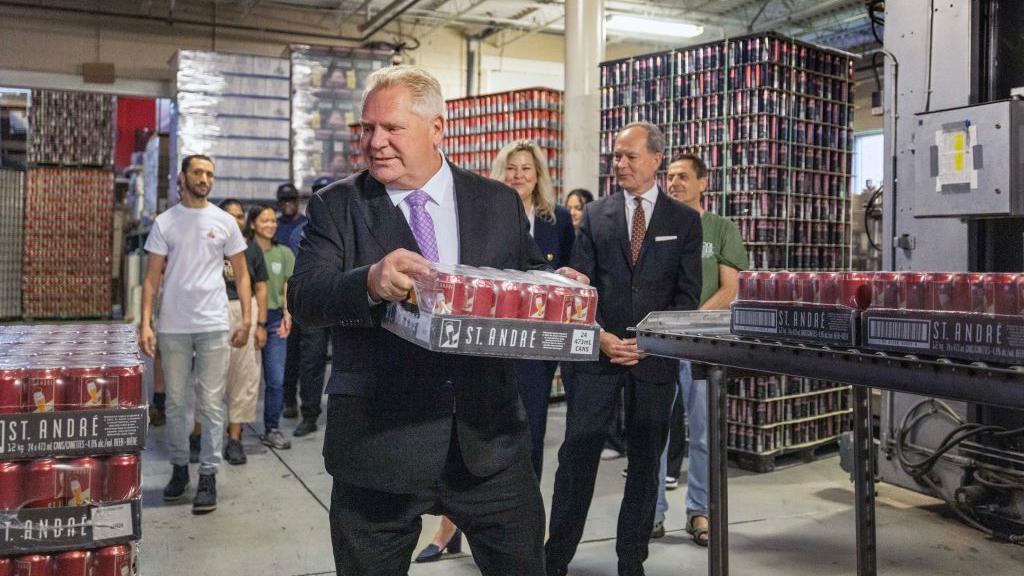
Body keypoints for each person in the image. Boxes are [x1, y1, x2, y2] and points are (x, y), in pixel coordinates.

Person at [288, 65, 582, 575]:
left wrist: (557, 287)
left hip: (487, 443)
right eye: (367, 129)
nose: (375, 142)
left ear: (436, 128)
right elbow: (307, 296)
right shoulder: (338, 206)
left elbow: (527, 271)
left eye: (392, 128)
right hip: (379, 445)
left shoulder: (496, 202)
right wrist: (369, 281)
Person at [545, 121, 702, 576]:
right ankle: (555, 558)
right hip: (599, 355)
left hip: (653, 361)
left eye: (630, 156)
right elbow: (580, 284)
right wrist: (602, 337)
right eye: (616, 155)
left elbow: (686, 298)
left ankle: (631, 560)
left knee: (646, 459)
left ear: (656, 159)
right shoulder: (596, 215)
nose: (620, 163)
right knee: (577, 453)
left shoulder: (684, 222)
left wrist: (648, 342)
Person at [415, 139, 575, 564]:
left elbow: (544, 271)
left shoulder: (554, 219)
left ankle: (517, 522)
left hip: (532, 351)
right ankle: (450, 527)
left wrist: (559, 283)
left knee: (524, 439)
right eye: (512, 167)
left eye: (528, 168)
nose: (520, 175)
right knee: (467, 435)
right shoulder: (482, 210)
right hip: (482, 346)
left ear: (539, 174)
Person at [140, 154, 252, 515]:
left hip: (214, 324)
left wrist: (247, 318)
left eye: (210, 174)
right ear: (183, 177)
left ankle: (208, 474)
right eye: (198, 172)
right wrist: (146, 323)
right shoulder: (165, 222)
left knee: (210, 403)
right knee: (174, 403)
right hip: (173, 325)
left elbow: (243, 273)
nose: (205, 179)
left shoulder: (224, 222)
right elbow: (151, 278)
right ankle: (178, 470)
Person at [652, 153, 748, 545]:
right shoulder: (659, 226)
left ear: (704, 182)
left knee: (704, 434)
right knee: (655, 431)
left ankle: (699, 512)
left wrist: (686, 322)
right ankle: (653, 512)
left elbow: (730, 290)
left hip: (704, 345)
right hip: (663, 344)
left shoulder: (721, 228)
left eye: (683, 176)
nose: (674, 183)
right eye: (670, 177)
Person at [218, 199, 270, 465]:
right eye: (231, 215)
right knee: (209, 377)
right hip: (213, 312)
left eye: (240, 216)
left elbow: (261, 288)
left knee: (245, 378)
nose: (236, 220)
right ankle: (200, 435)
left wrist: (260, 324)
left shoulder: (252, 251)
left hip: (244, 312)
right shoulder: (209, 247)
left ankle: (235, 438)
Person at [246, 205, 295, 451]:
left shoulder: (284, 253)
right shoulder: (243, 252)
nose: (271, 224)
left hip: (275, 318)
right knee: (245, 378)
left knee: (276, 379)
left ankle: (271, 428)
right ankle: (233, 432)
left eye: (273, 220)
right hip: (248, 317)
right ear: (252, 224)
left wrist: (288, 314)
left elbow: (288, 285)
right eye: (264, 220)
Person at [291, 176, 334, 438]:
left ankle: (344, 413)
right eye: (319, 194)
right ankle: (309, 414)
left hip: (343, 308)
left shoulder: (348, 226)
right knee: (311, 361)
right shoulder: (300, 233)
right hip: (315, 308)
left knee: (347, 362)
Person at [276, 182, 306, 419]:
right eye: (284, 201)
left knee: (302, 355)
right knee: (285, 356)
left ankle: (301, 402)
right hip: (278, 299)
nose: (288, 205)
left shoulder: (305, 226)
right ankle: (287, 400)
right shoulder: (273, 227)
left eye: (292, 200)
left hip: (300, 297)